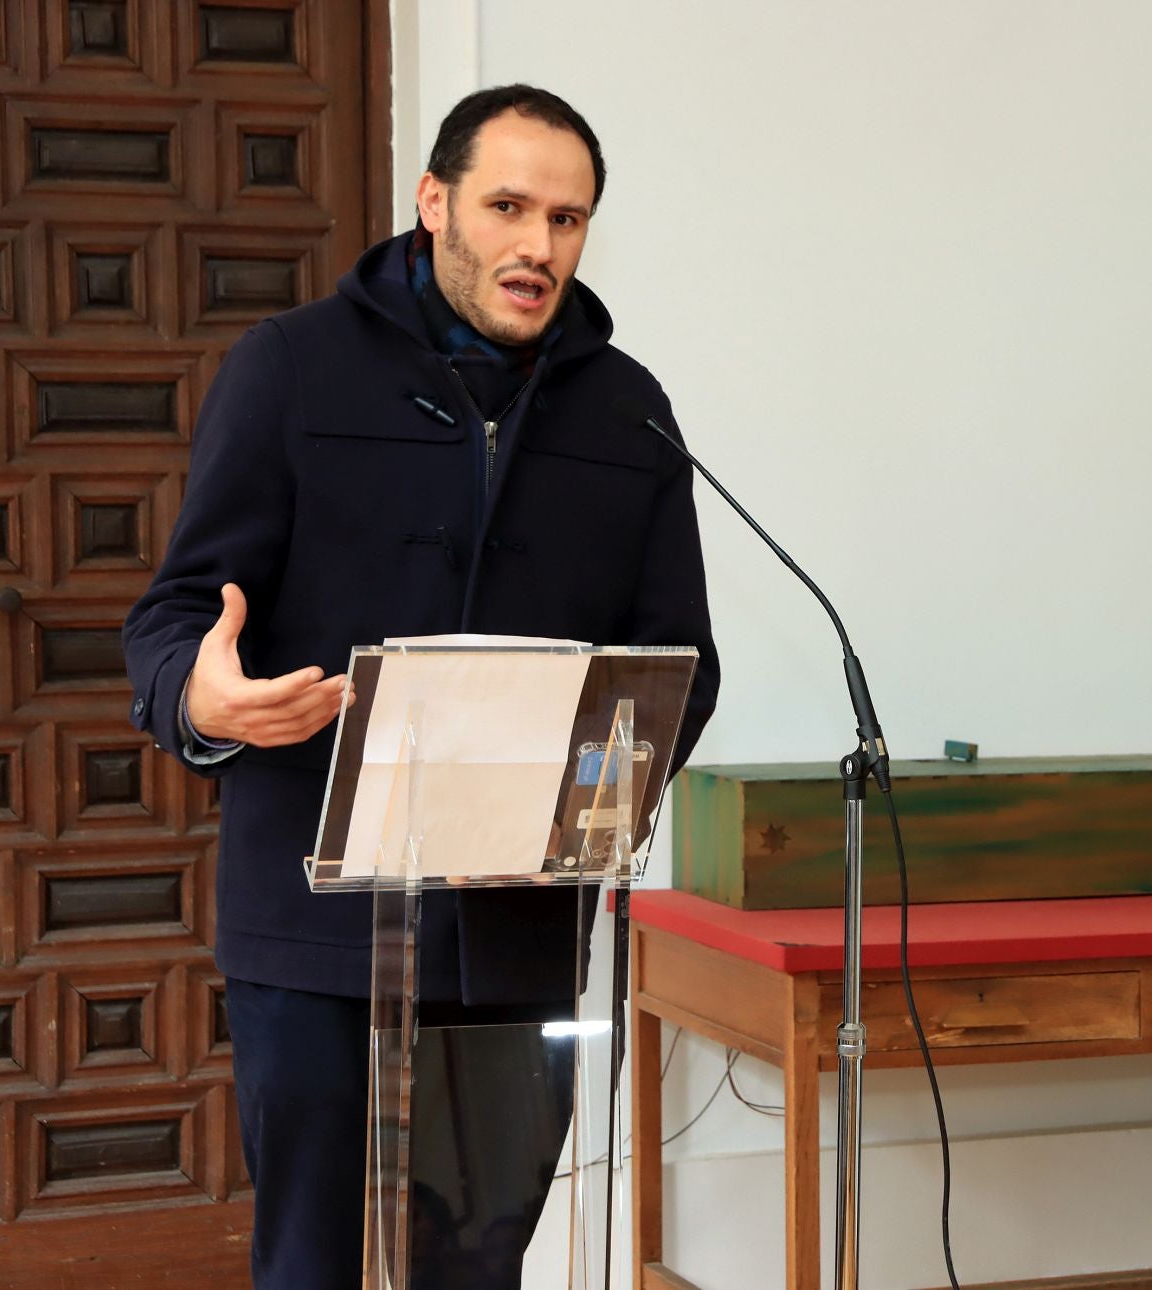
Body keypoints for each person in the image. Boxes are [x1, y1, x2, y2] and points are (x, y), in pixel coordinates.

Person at [122, 84, 720, 1288]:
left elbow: (676, 671)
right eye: (508, 207)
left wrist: (573, 812)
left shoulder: (629, 410)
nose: (538, 247)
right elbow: (176, 616)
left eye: (569, 218)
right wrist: (203, 702)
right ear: (434, 200)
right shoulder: (290, 370)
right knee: (315, 1263)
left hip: (520, 938)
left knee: (478, 1264)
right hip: (318, 928)